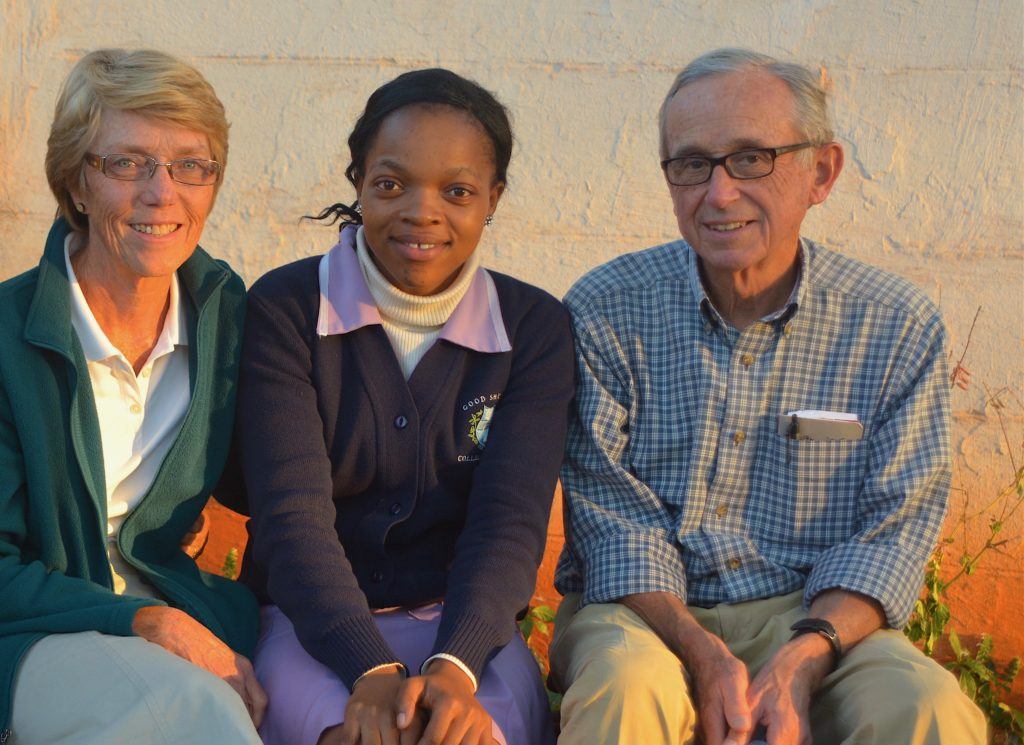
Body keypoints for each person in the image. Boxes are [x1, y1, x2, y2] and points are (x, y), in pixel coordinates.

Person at [549, 48, 988, 745]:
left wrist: (804, 656)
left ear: (822, 172)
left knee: (925, 707)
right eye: (692, 163)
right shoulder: (606, 310)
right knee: (628, 692)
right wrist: (703, 651)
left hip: (820, 617)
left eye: (752, 158)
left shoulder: (895, 325)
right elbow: (613, 524)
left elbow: (894, 526)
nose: (719, 193)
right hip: (647, 613)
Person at [238, 68, 573, 745]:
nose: (422, 212)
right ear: (358, 181)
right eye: (391, 184)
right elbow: (292, 516)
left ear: (493, 198)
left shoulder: (532, 327)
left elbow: (508, 522)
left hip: (466, 634)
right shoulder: (287, 309)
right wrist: (368, 667)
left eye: (457, 191)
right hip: (310, 626)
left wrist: (453, 669)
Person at [0, 49, 264, 743]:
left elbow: (282, 480)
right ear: (76, 184)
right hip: (33, 634)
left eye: (190, 165)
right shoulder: (6, 336)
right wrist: (146, 618)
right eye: (127, 163)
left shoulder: (225, 316)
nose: (162, 193)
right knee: (192, 711)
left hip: (180, 612)